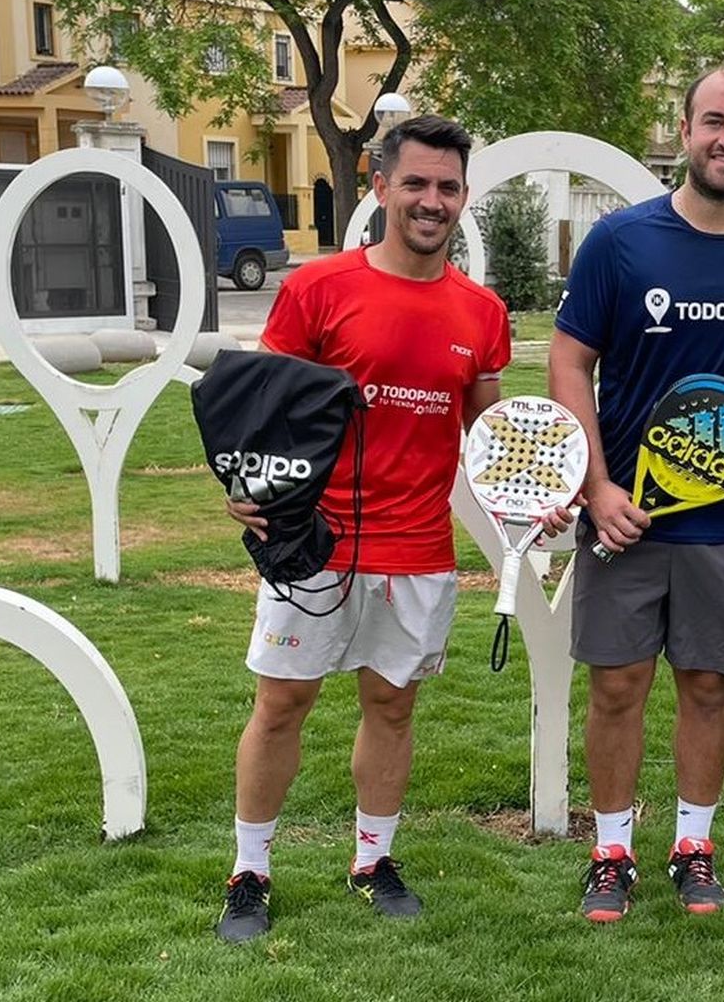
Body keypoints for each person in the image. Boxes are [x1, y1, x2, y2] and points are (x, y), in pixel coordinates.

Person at [215, 115, 511, 943]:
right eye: (415, 183)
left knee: (392, 706)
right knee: (282, 705)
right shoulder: (319, 289)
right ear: (380, 186)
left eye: (448, 187)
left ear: (463, 199)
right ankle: (250, 873)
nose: (432, 200)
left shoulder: (482, 313)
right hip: (316, 545)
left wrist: (533, 495)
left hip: (418, 550)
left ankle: (372, 860)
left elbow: (489, 442)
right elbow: (264, 405)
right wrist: (247, 485)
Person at [549, 64, 724, 922]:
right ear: (687, 129)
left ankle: (694, 847)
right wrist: (595, 486)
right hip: (626, 519)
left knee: (707, 688)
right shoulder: (621, 242)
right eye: (713, 121)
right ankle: (611, 852)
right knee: (616, 687)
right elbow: (569, 360)